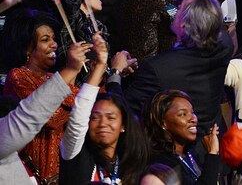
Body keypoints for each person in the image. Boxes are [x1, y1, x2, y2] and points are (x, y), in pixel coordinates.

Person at [125, 0, 236, 132]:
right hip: (211, 141)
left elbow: (125, 110)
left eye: (180, 8)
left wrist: (116, 74)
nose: (176, 9)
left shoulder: (158, 68)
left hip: (175, 146)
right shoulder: (224, 48)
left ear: (184, 24)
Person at [1, 10, 83, 181]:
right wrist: (74, 99)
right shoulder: (18, 76)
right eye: (45, 40)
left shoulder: (55, 78)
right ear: (27, 49)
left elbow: (83, 108)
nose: (54, 44)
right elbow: (52, 118)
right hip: (31, 175)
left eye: (53, 39)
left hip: (61, 174)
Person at [59, 34, 147, 184]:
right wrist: (100, 66)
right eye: (95, 117)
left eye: (111, 117)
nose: (102, 123)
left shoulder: (132, 164)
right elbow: (79, 114)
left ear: (123, 126)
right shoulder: (75, 153)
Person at [144, 89, 221, 185]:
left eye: (192, 112)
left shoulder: (190, 153)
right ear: (163, 123)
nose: (193, 119)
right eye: (182, 114)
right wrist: (212, 154)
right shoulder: (161, 163)